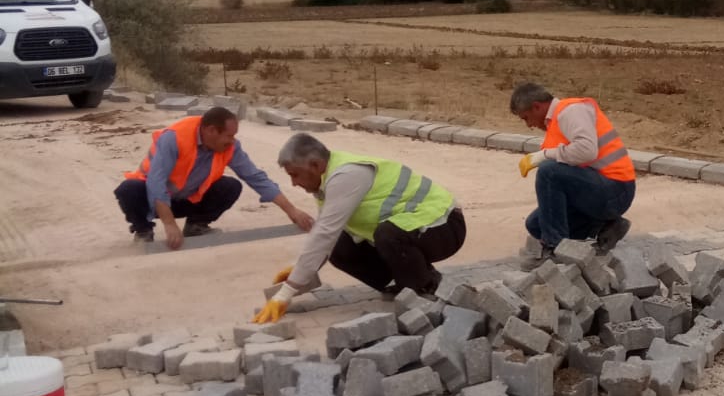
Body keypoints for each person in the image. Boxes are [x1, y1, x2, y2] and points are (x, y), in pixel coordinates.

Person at [253, 132, 466, 323]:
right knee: (340, 247)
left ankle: (424, 290)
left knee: (388, 234)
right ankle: (403, 283)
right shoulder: (326, 182)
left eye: (294, 174)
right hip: (417, 229)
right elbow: (326, 238)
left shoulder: (347, 175)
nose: (293, 183)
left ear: (315, 165)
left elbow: (324, 234)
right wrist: (301, 271)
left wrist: (286, 292)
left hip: (445, 225)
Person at [116, 106, 313, 249]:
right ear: (211, 131)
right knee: (129, 189)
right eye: (229, 135)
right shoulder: (174, 137)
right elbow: (156, 182)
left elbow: (255, 177)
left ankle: (196, 226)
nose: (232, 141)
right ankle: (143, 231)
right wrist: (169, 224)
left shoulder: (230, 147)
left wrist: (292, 211)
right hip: (154, 201)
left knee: (230, 186)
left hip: (189, 200)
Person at [509, 81, 636, 257]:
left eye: (526, 118)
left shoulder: (570, 112)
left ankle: (556, 248)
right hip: (596, 192)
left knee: (548, 172)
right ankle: (607, 226)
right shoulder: (555, 123)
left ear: (537, 106)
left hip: (616, 190)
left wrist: (545, 155)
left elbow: (587, 151)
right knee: (536, 225)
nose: (528, 125)